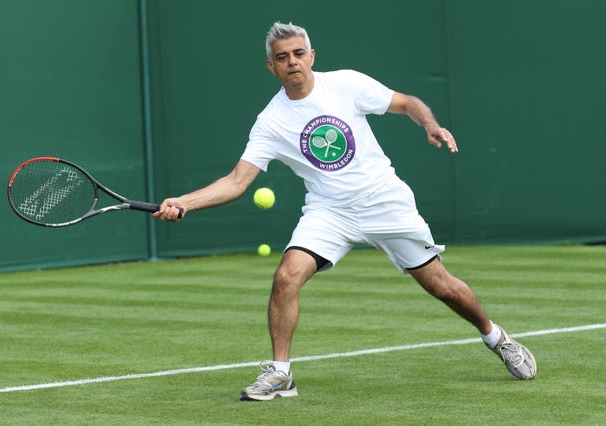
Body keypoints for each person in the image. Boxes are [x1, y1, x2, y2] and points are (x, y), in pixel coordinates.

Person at [153, 21, 537, 401]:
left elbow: (406, 103)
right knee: (286, 276)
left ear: (312, 56)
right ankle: (281, 374)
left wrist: (429, 124)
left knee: (441, 285)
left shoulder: (346, 84)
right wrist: (184, 202)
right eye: (282, 57)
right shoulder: (270, 122)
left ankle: (496, 337)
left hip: (384, 200)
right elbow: (237, 181)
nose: (292, 63)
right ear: (271, 67)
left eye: (299, 54)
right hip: (329, 212)